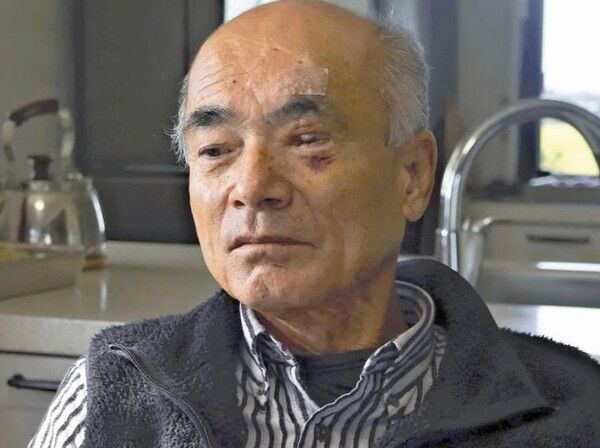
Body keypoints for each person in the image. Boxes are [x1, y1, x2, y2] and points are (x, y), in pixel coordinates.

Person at [28, 1, 600, 447]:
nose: (252, 186)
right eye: (216, 150)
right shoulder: (112, 394)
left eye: (306, 140)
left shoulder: (572, 410)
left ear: (412, 176)